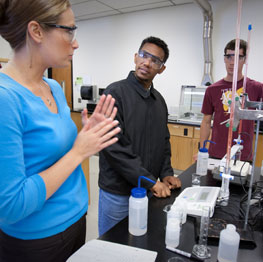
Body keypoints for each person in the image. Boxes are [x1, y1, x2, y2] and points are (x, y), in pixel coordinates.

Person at [0, 0, 121, 261]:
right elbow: (10, 206)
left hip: (76, 219)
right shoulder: (5, 99)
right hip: (37, 241)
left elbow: (52, 153)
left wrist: (86, 134)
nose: (75, 42)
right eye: (69, 31)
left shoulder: (53, 87)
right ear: (37, 31)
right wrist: (79, 152)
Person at [98, 36, 181, 236]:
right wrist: (150, 181)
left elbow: (163, 142)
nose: (147, 62)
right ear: (136, 57)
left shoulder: (159, 101)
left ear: (162, 68)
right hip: (118, 193)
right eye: (144, 55)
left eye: (155, 60)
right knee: (112, 247)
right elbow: (114, 148)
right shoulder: (114, 93)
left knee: (139, 245)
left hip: (147, 192)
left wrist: (167, 173)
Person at [200, 39, 263, 161]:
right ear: (224, 59)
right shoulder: (212, 89)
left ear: (245, 60)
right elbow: (206, 122)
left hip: (243, 155)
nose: (232, 62)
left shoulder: (257, 88)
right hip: (216, 154)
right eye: (229, 57)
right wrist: (202, 150)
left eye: (238, 57)